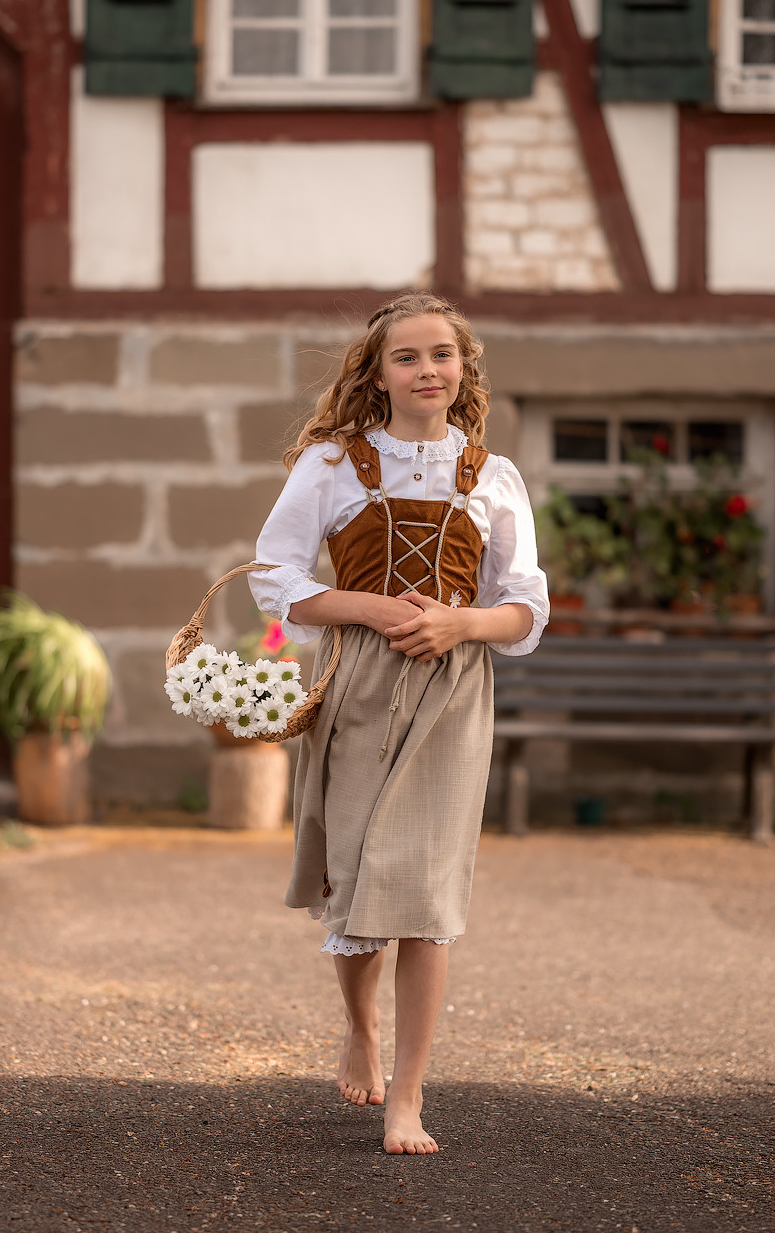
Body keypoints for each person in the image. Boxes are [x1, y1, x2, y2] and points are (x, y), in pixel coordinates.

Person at [249, 292, 548, 1157]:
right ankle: (360, 1025)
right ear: (377, 375)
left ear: (465, 368)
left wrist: (461, 623)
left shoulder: (492, 476)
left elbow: (525, 607)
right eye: (408, 357)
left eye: (442, 355)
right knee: (356, 882)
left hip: (453, 689)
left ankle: (407, 1096)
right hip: (359, 681)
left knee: (425, 896)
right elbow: (278, 580)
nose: (427, 371)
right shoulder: (332, 464)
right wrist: (379, 612)